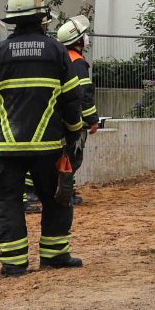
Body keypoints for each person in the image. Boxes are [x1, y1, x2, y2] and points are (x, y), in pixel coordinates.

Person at [0, 0, 88, 275]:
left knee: (8, 203)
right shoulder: (56, 51)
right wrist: (74, 132)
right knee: (56, 199)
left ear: (13, 19)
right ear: (42, 18)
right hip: (47, 146)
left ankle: (14, 264)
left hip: (4, 147)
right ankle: (54, 256)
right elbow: (71, 98)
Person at [54, 16, 100, 208]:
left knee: (62, 155)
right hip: (76, 120)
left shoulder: (60, 58)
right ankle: (66, 194)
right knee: (73, 157)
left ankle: (65, 190)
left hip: (59, 118)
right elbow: (84, 94)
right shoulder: (78, 62)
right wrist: (92, 119)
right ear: (78, 41)